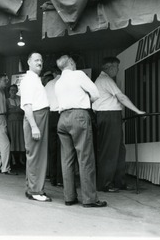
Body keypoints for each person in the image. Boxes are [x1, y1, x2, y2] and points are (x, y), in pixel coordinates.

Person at [55, 55, 107, 208]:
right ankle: (89, 199)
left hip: (62, 118)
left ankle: (69, 197)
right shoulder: (78, 75)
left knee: (67, 160)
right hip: (79, 116)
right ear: (71, 63)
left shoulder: (58, 82)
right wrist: (84, 101)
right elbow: (96, 94)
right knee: (85, 158)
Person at [93, 57, 145, 192]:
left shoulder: (102, 80)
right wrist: (137, 111)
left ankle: (118, 182)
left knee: (119, 151)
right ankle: (105, 184)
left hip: (111, 116)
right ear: (109, 67)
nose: (117, 69)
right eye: (116, 67)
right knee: (109, 152)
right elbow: (121, 97)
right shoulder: (105, 80)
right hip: (109, 116)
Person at [20, 52, 51, 202]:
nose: (39, 62)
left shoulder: (35, 79)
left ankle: (32, 188)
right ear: (29, 62)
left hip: (39, 117)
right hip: (35, 117)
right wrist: (34, 126)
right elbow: (27, 105)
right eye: (36, 60)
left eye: (41, 60)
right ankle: (35, 190)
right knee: (36, 156)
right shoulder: (28, 80)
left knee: (36, 155)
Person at [44, 67, 63, 187]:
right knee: (63, 149)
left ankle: (53, 178)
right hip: (62, 115)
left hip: (50, 116)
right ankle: (61, 178)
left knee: (52, 148)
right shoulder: (64, 82)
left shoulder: (48, 84)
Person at [6, 84, 25, 166]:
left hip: (20, 122)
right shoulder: (6, 100)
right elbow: (5, 112)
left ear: (17, 90)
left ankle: (21, 158)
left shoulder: (21, 99)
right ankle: (13, 158)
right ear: (9, 91)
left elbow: (24, 109)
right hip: (11, 122)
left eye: (14, 90)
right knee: (12, 139)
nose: (13, 91)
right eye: (11, 90)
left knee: (21, 139)